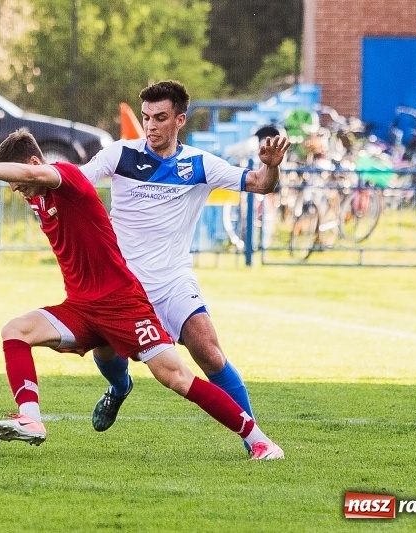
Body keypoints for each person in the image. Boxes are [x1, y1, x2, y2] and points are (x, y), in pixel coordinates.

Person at [0, 129, 284, 459]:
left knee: (175, 376)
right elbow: (35, 185)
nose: (17, 190)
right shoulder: (37, 197)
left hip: (121, 302)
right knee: (15, 330)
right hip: (81, 306)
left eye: (18, 182)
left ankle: (260, 443)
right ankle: (31, 419)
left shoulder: (66, 178)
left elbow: (41, 177)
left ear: (36, 166)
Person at [80, 81, 290, 446]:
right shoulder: (119, 155)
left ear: (180, 119)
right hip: (122, 284)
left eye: (160, 118)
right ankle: (119, 387)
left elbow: (260, 183)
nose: (150, 127)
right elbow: (77, 181)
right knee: (104, 349)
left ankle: (253, 438)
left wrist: (271, 167)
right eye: (146, 118)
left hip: (173, 281)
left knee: (209, 351)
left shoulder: (199, 164)